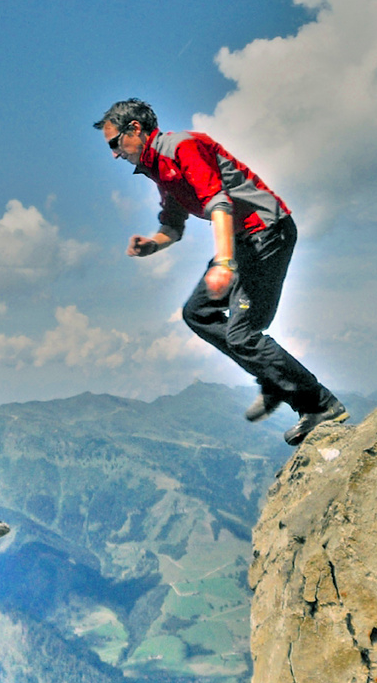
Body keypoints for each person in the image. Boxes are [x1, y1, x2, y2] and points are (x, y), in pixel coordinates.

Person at [95, 98, 347, 446]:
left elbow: (219, 202)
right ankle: (274, 380)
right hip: (245, 241)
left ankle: (319, 403)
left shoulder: (183, 147)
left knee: (243, 335)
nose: (113, 154)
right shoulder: (159, 169)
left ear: (134, 129)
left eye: (114, 143)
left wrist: (225, 263)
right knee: (196, 312)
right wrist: (152, 244)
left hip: (266, 232)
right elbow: (173, 226)